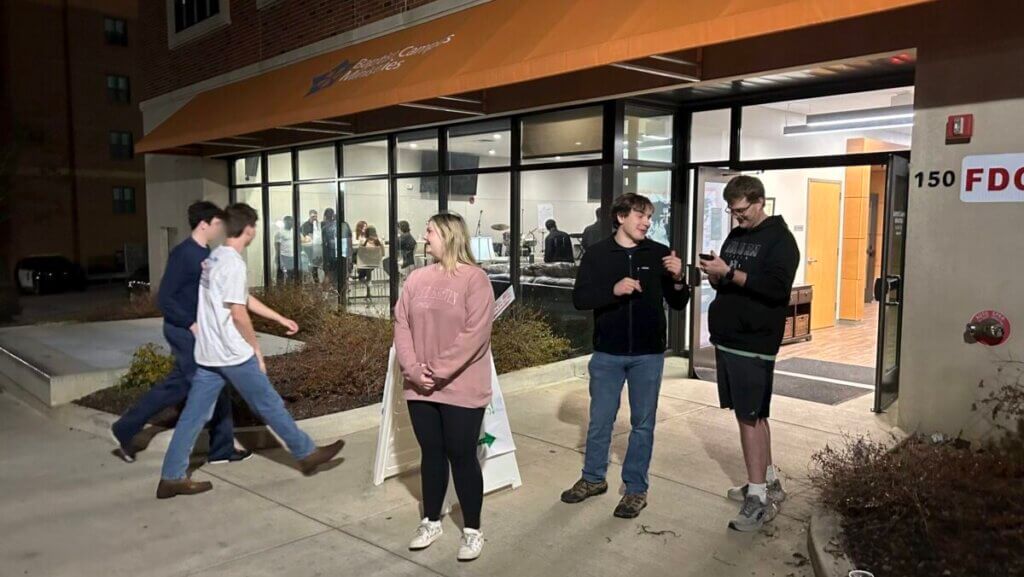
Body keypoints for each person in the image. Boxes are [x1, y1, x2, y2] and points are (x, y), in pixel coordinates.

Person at [156, 203, 345, 499]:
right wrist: (254, 348)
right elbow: (238, 312)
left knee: (194, 415)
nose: (255, 230)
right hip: (231, 353)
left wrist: (279, 318)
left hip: (208, 353)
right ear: (248, 229)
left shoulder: (214, 258)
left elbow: (240, 297)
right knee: (269, 403)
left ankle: (171, 477)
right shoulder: (232, 262)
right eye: (254, 226)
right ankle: (306, 454)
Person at [561, 193, 689, 519]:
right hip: (607, 353)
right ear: (620, 217)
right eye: (640, 215)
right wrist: (613, 291)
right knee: (600, 421)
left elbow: (678, 304)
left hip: (648, 355)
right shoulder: (597, 255)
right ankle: (593, 479)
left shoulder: (659, 254)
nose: (646, 222)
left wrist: (678, 280)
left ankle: (635, 489)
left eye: (649, 216)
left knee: (643, 423)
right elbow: (580, 299)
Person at [110, 201, 248, 465]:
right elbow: (165, 298)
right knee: (192, 386)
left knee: (206, 384)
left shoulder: (205, 252)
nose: (220, 229)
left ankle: (221, 449)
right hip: (184, 332)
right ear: (204, 224)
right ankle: (126, 428)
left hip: (200, 333)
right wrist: (191, 324)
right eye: (217, 224)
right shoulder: (183, 254)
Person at [697, 175, 799, 532]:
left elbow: (775, 289)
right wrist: (715, 274)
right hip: (729, 338)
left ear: (759, 201)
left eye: (741, 212)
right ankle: (768, 482)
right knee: (755, 415)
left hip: (753, 342)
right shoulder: (738, 235)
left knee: (749, 418)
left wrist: (732, 274)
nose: (736, 219)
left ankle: (757, 499)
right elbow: (728, 275)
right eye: (732, 212)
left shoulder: (781, 241)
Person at [393, 212, 495, 562]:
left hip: (461, 387)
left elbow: (475, 335)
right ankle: (430, 520)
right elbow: (401, 325)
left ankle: (472, 530)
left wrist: (434, 371)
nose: (424, 237)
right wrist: (413, 369)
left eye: (430, 231)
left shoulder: (475, 279)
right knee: (431, 454)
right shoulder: (416, 278)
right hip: (419, 386)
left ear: (450, 236)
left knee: (462, 455)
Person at [300, 209, 323, 282]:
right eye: (313, 216)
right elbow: (303, 236)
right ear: (309, 216)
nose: (314, 218)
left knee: (317, 265)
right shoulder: (305, 225)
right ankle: (314, 280)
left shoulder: (319, 224)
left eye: (316, 216)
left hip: (318, 248)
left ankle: (317, 280)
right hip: (308, 248)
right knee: (312, 265)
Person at [275, 215, 296, 282]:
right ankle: (280, 290)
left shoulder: (294, 231)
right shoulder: (280, 232)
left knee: (290, 275)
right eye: (290, 222)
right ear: (285, 222)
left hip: (292, 256)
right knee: (281, 274)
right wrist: (279, 257)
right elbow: (277, 245)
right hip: (283, 256)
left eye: (292, 222)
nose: (291, 223)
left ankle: (289, 290)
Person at [321, 208, 338, 284]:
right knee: (335, 273)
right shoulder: (336, 225)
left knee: (327, 273)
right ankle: (336, 291)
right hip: (336, 252)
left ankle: (326, 292)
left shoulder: (324, 227)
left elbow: (323, 241)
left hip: (327, 252)